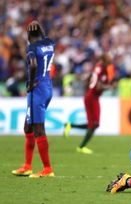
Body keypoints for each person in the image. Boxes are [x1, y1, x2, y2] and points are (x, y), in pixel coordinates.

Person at [12, 20, 55, 178]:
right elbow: (45, 36)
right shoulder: (49, 43)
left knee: (38, 129)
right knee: (27, 127)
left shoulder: (31, 48)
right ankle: (27, 166)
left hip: (36, 89)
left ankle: (47, 169)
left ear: (29, 35)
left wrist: (29, 83)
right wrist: (39, 26)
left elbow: (33, 64)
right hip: (47, 87)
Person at [63, 54, 116, 154]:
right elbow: (98, 87)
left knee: (94, 124)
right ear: (104, 59)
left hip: (91, 97)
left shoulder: (98, 67)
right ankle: (81, 147)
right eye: (109, 58)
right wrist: (110, 87)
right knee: (95, 124)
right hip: (92, 98)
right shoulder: (101, 69)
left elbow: (90, 80)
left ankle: (70, 125)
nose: (111, 60)